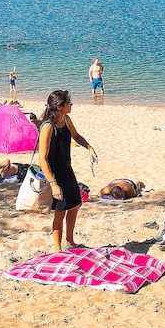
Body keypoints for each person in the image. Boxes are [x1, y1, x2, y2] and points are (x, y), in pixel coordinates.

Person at [37, 90, 97, 251]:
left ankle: (69, 241)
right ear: (60, 106)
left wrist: (89, 147)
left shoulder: (66, 120)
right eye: (69, 102)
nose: (71, 105)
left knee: (76, 204)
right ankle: (57, 248)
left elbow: (76, 136)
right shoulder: (48, 127)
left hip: (67, 169)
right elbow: (42, 158)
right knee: (60, 210)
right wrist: (53, 184)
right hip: (54, 173)